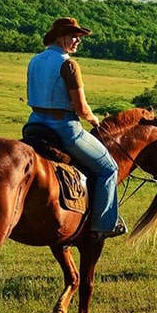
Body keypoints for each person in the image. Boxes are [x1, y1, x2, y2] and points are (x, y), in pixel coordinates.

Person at [26, 17, 126, 240]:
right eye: (74, 36)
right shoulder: (69, 64)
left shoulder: (35, 60)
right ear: (60, 36)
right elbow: (80, 107)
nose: (78, 41)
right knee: (109, 168)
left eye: (79, 37)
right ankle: (105, 224)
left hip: (34, 124)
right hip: (64, 128)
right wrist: (94, 119)